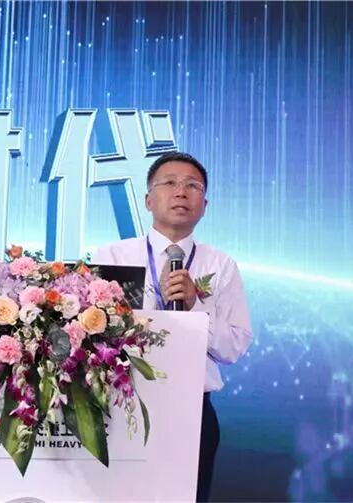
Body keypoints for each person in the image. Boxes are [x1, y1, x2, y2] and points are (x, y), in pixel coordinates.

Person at [92, 151, 253, 502]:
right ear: (148, 200)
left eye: (192, 186)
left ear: (204, 205)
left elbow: (234, 347)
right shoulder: (113, 257)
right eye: (169, 183)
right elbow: (96, 335)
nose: (181, 192)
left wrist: (196, 309)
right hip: (122, 405)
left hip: (192, 412)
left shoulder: (221, 265)